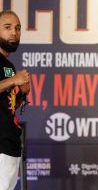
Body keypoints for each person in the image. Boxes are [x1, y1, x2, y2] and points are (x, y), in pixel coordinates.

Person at [0, 10, 30, 190]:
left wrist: (21, 94)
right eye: (7, 27)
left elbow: (8, 104)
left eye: (18, 28)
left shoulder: (9, 65)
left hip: (9, 144)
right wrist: (14, 81)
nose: (14, 32)